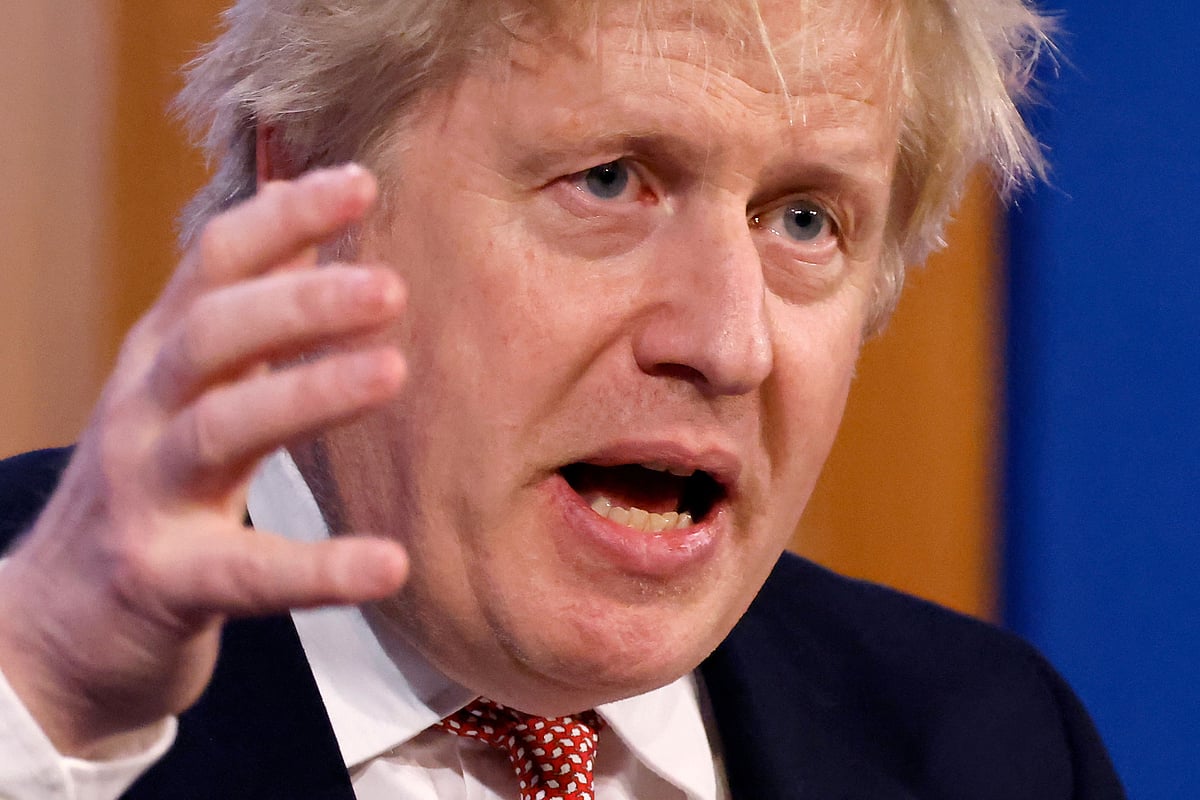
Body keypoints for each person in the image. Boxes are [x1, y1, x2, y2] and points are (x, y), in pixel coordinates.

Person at [0, 0, 1126, 797]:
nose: (727, 344)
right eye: (609, 180)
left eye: (803, 219)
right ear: (312, 187)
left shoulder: (993, 748)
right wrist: (42, 693)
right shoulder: (34, 677)